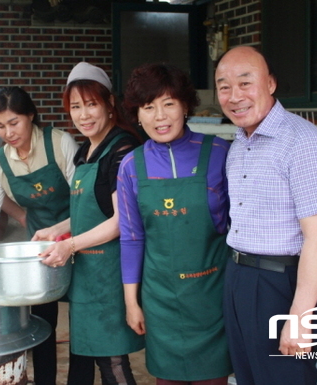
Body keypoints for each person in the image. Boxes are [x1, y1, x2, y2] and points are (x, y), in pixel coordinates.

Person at [215, 46, 317, 385]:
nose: (234, 96)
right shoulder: (239, 142)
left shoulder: (302, 142)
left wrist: (300, 316)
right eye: (224, 86)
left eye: (245, 83)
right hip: (239, 277)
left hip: (282, 284)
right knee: (248, 377)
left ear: (270, 84)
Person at [118, 63, 232, 385]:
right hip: (161, 301)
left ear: (185, 106)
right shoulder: (131, 166)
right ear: (137, 115)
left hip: (212, 296)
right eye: (148, 107)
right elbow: (131, 238)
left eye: (168, 103)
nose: (159, 116)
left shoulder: (221, 153)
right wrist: (131, 302)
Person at [33, 62, 145, 385]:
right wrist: (57, 230)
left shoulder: (122, 148)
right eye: (76, 107)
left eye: (91, 104)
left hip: (109, 277)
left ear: (110, 103)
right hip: (87, 275)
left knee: (112, 361)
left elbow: (122, 221)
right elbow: (91, 208)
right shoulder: (85, 150)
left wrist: (69, 244)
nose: (83, 115)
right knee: (87, 357)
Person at [0, 86, 78, 385]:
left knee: (82, 326)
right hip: (39, 251)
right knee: (43, 324)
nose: (8, 132)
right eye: (0, 125)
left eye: (14, 122)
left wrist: (64, 231)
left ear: (31, 115)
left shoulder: (59, 143)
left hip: (82, 239)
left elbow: (86, 202)